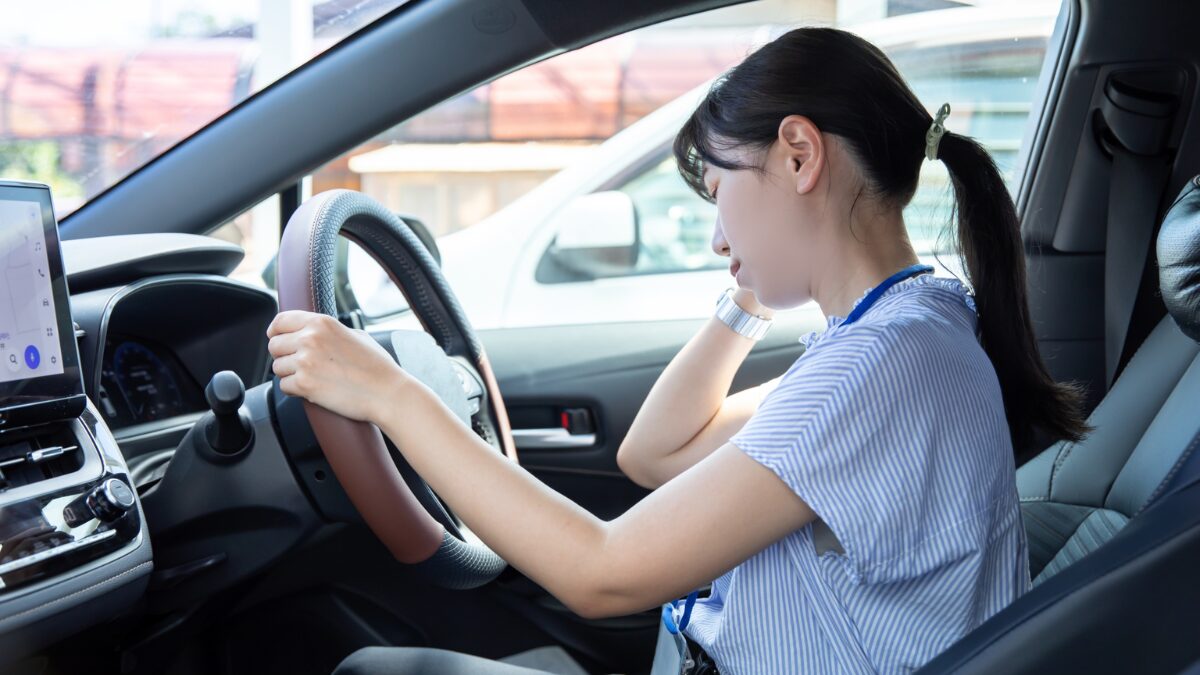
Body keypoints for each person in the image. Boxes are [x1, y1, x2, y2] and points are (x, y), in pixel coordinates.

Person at [267, 26, 1092, 675]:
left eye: (723, 188)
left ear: (800, 155)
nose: (715, 231)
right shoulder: (911, 325)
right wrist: (749, 293)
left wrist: (394, 396)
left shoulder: (879, 369)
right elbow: (656, 453)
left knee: (372, 667)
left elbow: (602, 571)